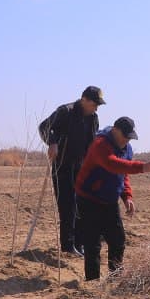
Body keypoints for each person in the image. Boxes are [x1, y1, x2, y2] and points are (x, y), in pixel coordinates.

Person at [74, 117, 150, 280]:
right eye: (125, 136)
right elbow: (112, 164)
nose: (127, 140)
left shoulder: (127, 149)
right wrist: (142, 167)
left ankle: (115, 278)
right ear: (115, 130)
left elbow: (123, 174)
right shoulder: (100, 145)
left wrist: (127, 196)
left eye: (130, 137)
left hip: (109, 200)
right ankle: (92, 282)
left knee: (118, 240)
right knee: (92, 243)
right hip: (89, 199)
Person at [38, 86, 103, 255]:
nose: (96, 108)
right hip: (62, 166)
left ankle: (79, 244)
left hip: (82, 167)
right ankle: (68, 246)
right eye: (94, 104)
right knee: (67, 205)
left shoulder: (93, 118)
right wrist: (52, 142)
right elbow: (44, 127)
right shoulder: (65, 111)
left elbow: (92, 144)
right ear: (84, 100)